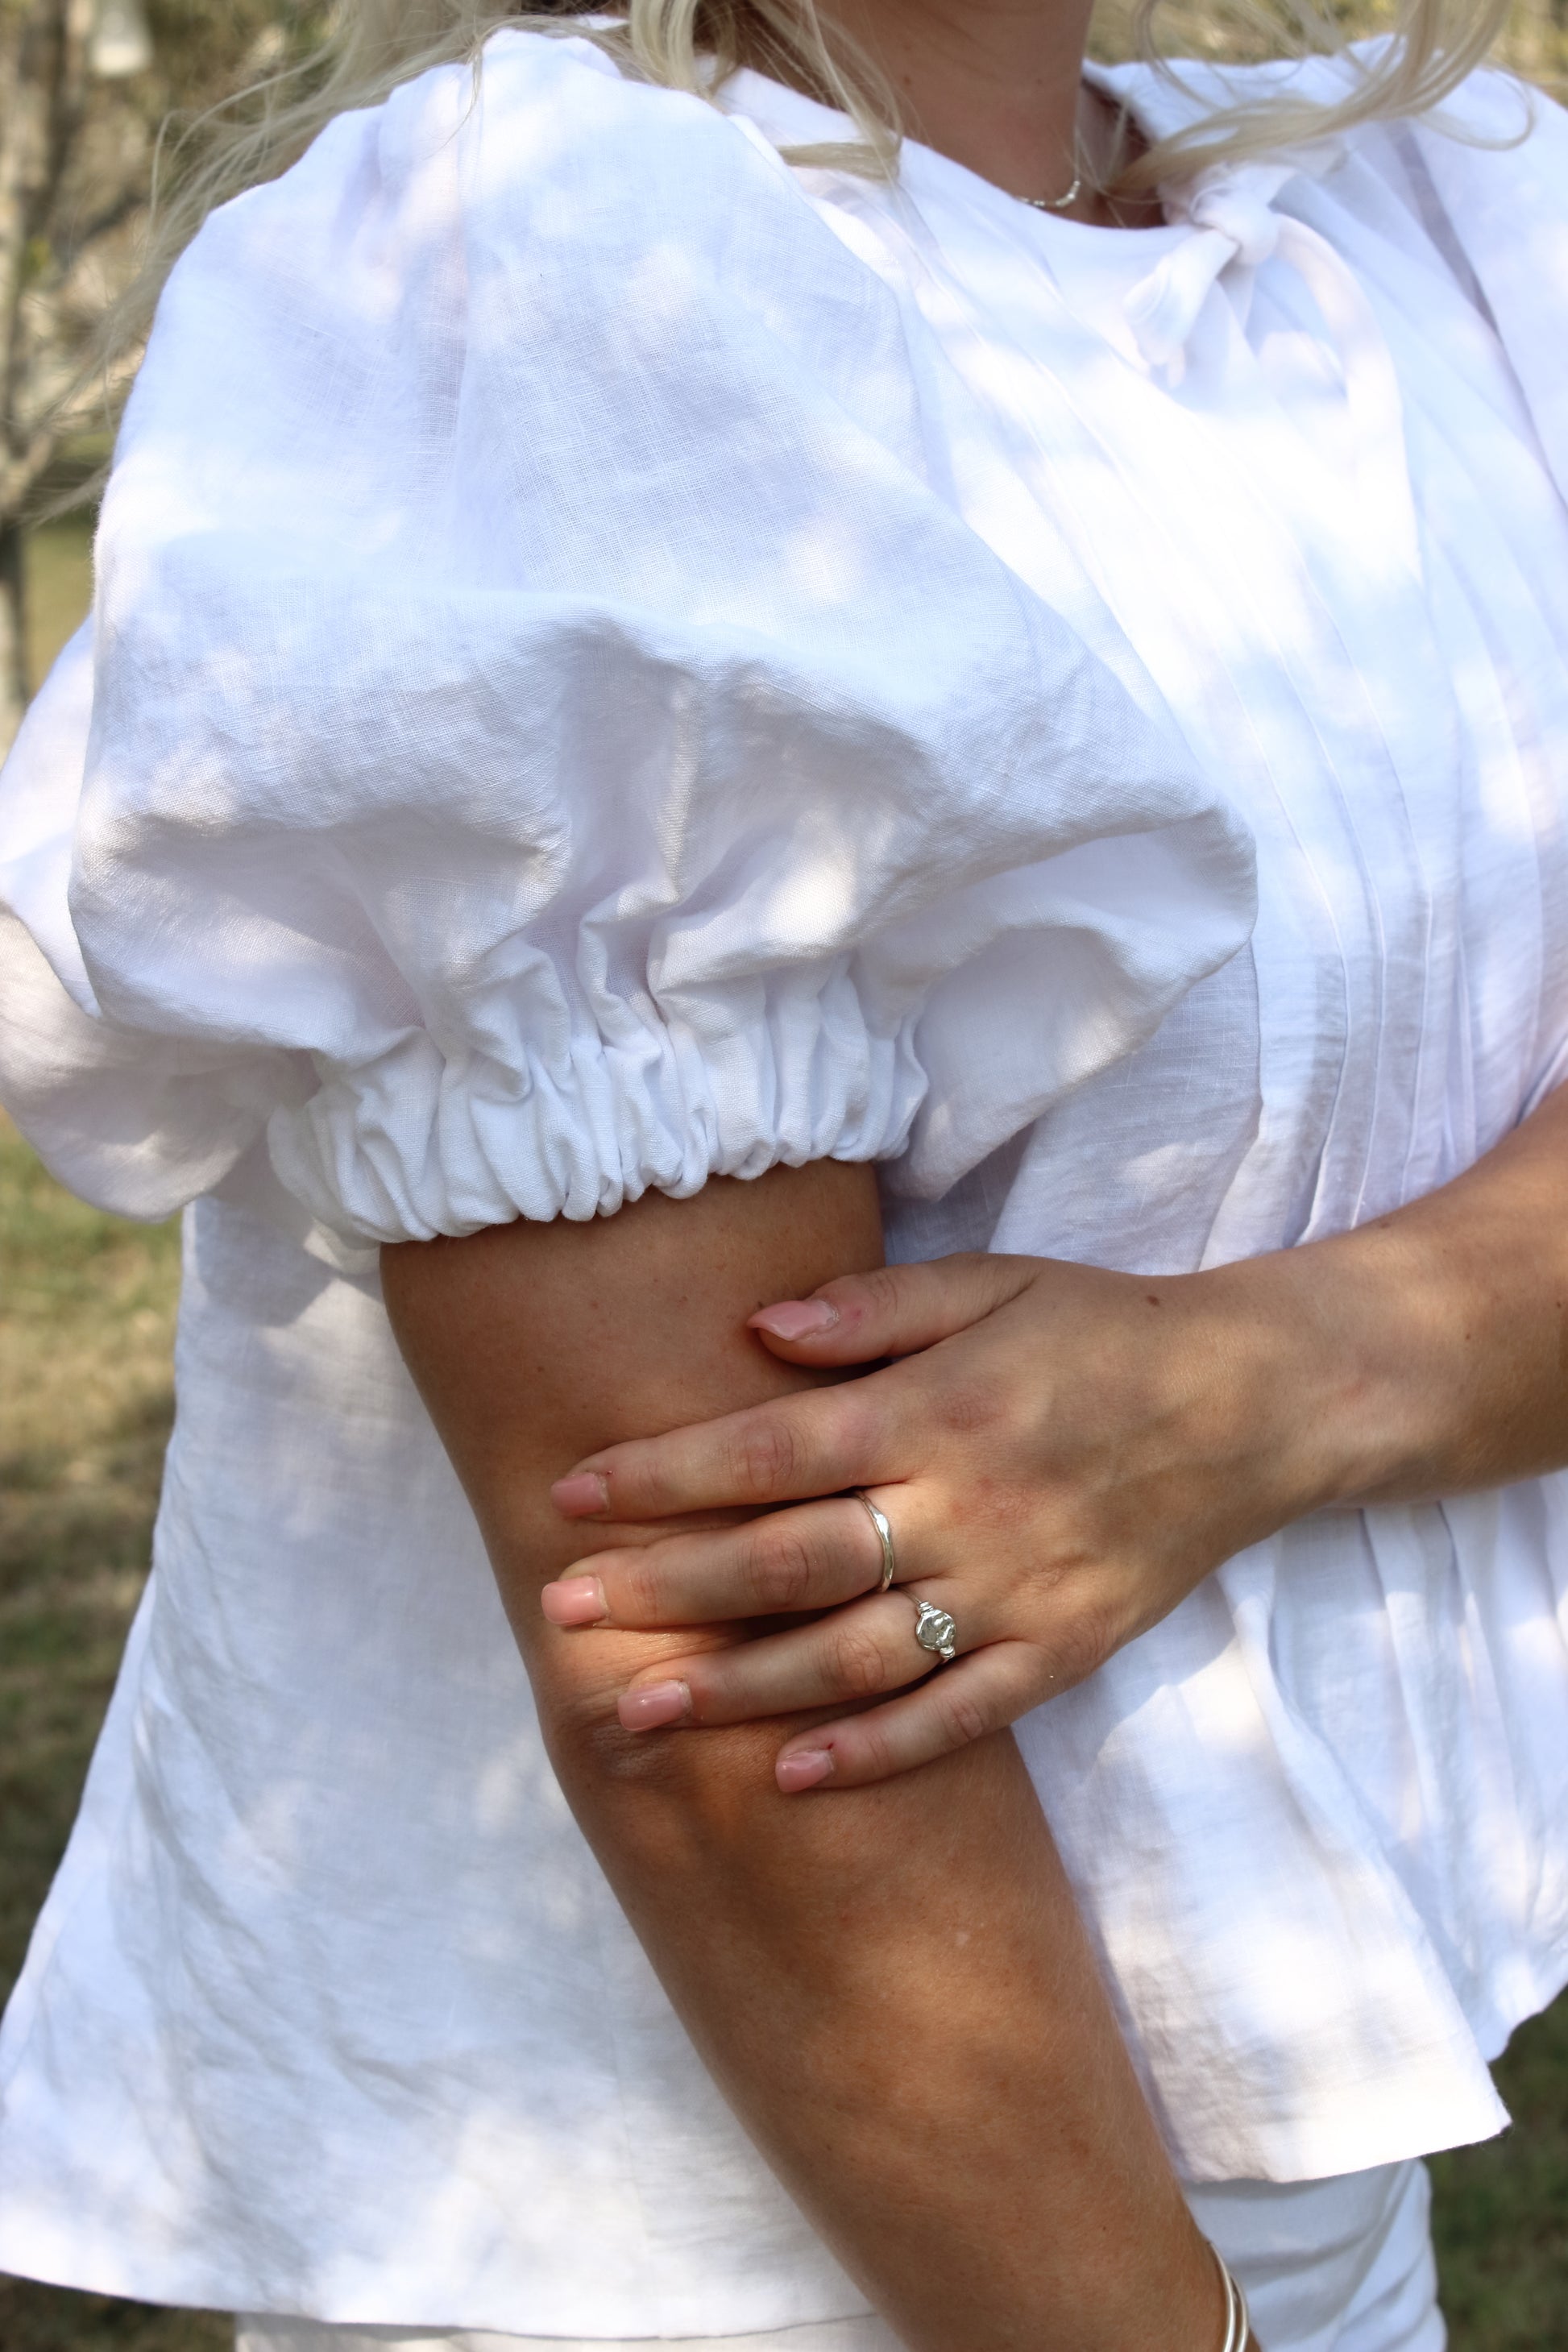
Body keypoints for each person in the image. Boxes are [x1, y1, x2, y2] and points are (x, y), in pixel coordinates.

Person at [0, 0, 1565, 2346]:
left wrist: (1272, 1380)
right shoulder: (560, 282)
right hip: (759, 2239)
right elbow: (709, 1645)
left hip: (1305, 2107)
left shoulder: (1453, 216)